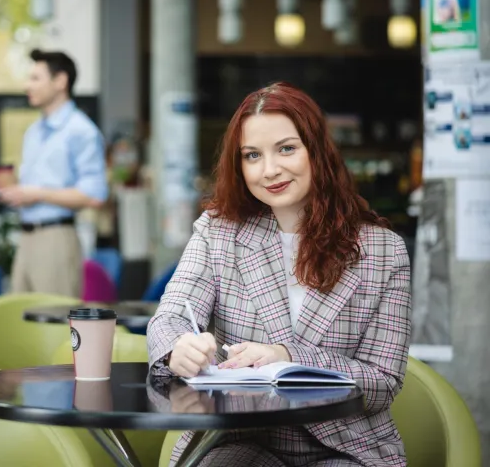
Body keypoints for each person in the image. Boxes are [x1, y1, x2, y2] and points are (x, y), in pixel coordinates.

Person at [147, 83, 412, 466]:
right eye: (252, 155)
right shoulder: (219, 231)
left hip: (344, 446)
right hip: (240, 436)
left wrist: (286, 357)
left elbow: (383, 381)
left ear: (316, 151)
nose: (269, 170)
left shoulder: (383, 250)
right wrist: (177, 349)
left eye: (286, 149)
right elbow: (169, 317)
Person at [0, 49, 108, 298]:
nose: (28, 85)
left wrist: (37, 194)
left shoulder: (81, 131)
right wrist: (16, 191)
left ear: (60, 82)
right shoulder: (33, 132)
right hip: (25, 239)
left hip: (57, 239)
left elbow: (94, 195)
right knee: (20, 323)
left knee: (57, 327)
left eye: (36, 78)